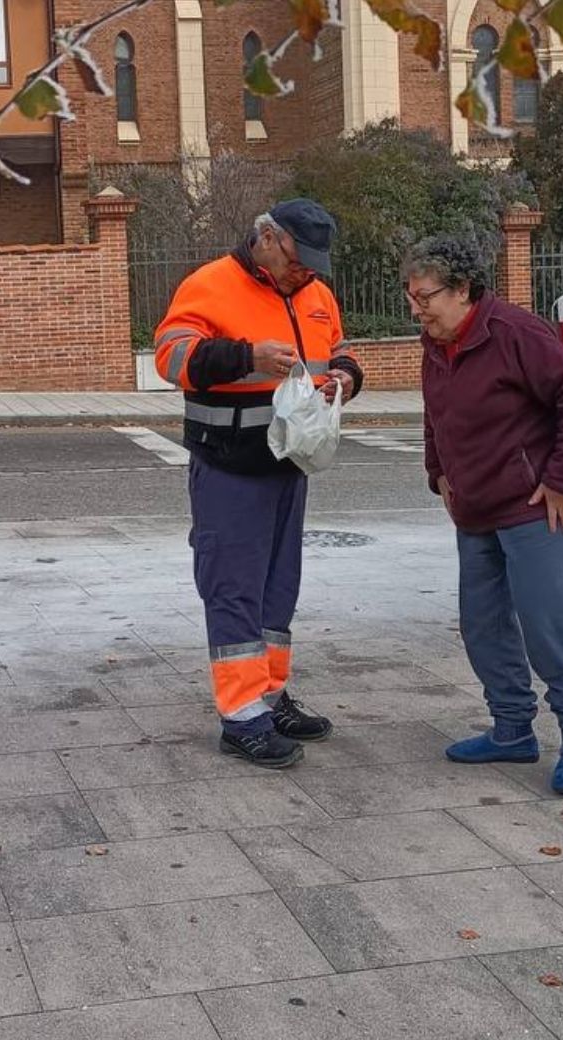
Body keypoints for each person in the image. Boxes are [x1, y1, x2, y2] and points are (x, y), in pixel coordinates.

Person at [154, 200, 364, 768]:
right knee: (233, 588)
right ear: (267, 238)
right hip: (229, 466)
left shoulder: (316, 294)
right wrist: (246, 355)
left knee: (278, 590)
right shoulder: (209, 285)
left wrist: (346, 376)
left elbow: (339, 349)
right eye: (298, 261)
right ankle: (241, 715)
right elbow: (171, 359)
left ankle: (269, 696)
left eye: (315, 265)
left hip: (288, 465)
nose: (307, 274)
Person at [405, 234, 563, 796]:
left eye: (426, 297)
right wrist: (437, 471)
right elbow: (437, 414)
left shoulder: (515, 333)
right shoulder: (435, 343)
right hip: (474, 511)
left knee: (548, 625)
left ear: (463, 289)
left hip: (533, 512)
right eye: (411, 296)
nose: (417, 308)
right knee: (483, 626)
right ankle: (512, 729)